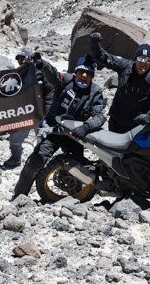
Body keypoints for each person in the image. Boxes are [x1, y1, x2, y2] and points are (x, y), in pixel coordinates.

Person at [12, 54, 106, 199]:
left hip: (75, 135)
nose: (84, 75)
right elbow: (52, 72)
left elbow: (100, 116)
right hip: (54, 131)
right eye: (81, 72)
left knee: (77, 170)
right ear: (76, 72)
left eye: (88, 73)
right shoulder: (65, 81)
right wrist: (41, 63)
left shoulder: (95, 91)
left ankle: (74, 199)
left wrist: (86, 127)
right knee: (35, 161)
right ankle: (19, 196)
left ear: (92, 76)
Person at [89, 32, 150, 133]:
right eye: (140, 58)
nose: (143, 62)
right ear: (134, 60)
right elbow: (102, 57)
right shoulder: (125, 66)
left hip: (138, 127)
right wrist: (94, 44)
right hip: (116, 123)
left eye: (147, 59)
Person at [3, 47, 55, 169]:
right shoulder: (16, 74)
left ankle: (44, 162)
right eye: (19, 58)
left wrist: (47, 112)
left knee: (43, 138)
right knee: (15, 137)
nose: (21, 60)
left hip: (40, 112)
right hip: (23, 113)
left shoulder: (41, 73)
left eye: (24, 57)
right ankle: (16, 158)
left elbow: (50, 91)